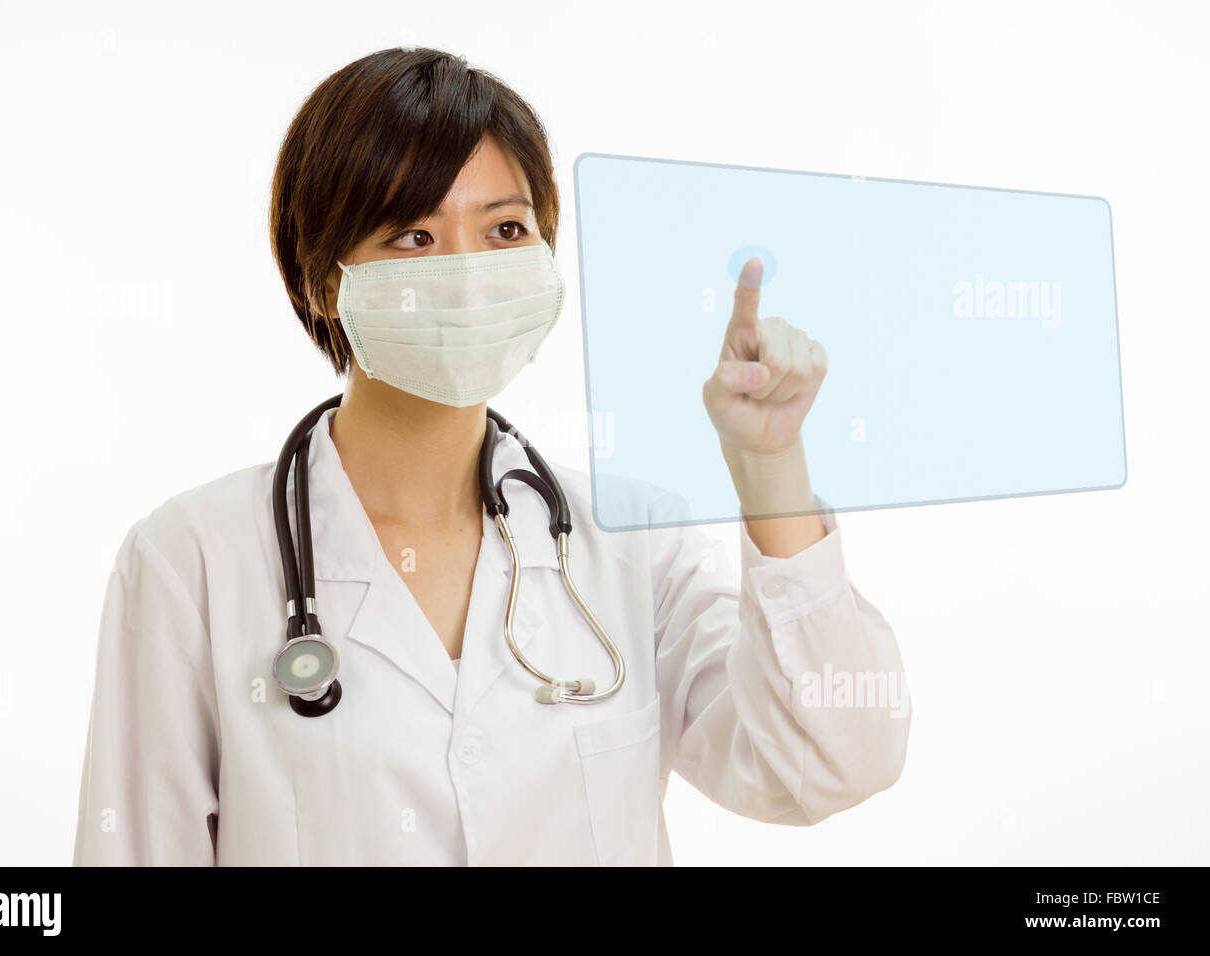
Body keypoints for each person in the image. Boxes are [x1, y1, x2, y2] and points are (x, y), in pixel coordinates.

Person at [72, 46, 909, 867]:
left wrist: (772, 467)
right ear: (325, 280)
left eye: (506, 228)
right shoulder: (193, 561)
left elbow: (828, 765)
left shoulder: (631, 546)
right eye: (413, 235)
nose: (470, 274)